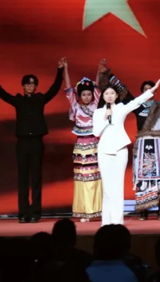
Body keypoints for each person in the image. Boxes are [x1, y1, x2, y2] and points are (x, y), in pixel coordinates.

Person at [98, 65, 160, 221]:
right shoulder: (137, 106)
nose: (148, 91)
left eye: (150, 89)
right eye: (145, 89)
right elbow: (123, 92)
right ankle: (143, 210)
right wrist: (107, 74)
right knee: (142, 179)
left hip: (156, 146)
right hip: (141, 147)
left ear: (154, 91)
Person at [0, 58, 65, 223]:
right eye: (27, 84)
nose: (30, 86)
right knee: (23, 178)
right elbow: (2, 94)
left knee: (36, 178)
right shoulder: (18, 100)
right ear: (23, 86)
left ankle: (35, 213)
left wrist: (59, 71)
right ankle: (23, 213)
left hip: (37, 142)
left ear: (35, 86)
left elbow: (54, 89)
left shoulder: (40, 99)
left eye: (32, 84)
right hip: (22, 143)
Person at [93, 75, 160, 226]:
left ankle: (117, 223)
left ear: (116, 96)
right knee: (107, 188)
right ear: (103, 96)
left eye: (112, 93)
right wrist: (106, 118)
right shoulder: (98, 112)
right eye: (107, 93)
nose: (109, 96)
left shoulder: (121, 108)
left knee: (117, 187)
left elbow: (136, 101)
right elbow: (96, 132)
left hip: (120, 150)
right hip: (104, 151)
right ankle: (106, 223)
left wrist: (153, 90)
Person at [63, 58, 103, 222]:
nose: (86, 97)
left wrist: (98, 71)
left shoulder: (95, 106)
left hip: (95, 145)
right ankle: (84, 211)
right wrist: (65, 68)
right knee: (82, 178)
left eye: (88, 94)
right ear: (79, 96)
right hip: (81, 146)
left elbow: (97, 87)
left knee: (96, 178)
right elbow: (68, 89)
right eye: (83, 94)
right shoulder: (76, 107)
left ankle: (97, 210)